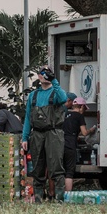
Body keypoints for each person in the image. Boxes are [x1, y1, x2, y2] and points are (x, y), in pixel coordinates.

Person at [21, 67, 69, 202]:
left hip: (54, 133)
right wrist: (25, 137)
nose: (44, 76)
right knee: (37, 168)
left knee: (56, 168)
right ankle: (38, 200)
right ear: (38, 76)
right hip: (36, 134)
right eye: (42, 73)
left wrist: (54, 80)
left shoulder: (56, 92)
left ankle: (59, 200)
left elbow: (64, 98)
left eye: (46, 73)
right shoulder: (33, 95)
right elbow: (27, 117)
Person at [63, 97, 97, 193]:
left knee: (61, 170)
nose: (84, 111)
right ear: (81, 106)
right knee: (69, 172)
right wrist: (91, 130)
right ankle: (67, 195)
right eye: (85, 109)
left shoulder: (65, 114)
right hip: (70, 145)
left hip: (60, 143)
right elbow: (84, 133)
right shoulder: (79, 116)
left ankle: (57, 194)